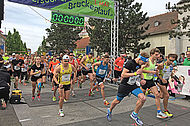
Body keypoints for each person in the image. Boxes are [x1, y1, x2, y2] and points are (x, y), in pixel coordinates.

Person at [107, 52, 149, 125]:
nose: (143, 64)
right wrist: (135, 74)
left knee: (143, 98)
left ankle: (134, 114)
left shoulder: (139, 64)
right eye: (143, 62)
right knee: (117, 101)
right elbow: (123, 74)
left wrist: (142, 79)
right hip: (125, 86)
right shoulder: (130, 63)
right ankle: (110, 110)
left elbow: (140, 71)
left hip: (133, 85)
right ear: (139, 59)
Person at [141, 48, 167, 118]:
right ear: (151, 54)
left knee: (157, 95)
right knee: (141, 98)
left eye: (158, 54)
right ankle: (135, 112)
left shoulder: (155, 62)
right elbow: (141, 70)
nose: (158, 56)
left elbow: (156, 72)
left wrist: (162, 79)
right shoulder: (147, 61)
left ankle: (159, 112)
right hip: (144, 81)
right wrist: (151, 72)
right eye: (156, 54)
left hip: (150, 80)